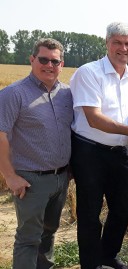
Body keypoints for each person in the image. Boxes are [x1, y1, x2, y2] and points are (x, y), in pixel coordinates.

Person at [69, 22, 128, 269]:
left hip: (119, 153)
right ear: (106, 43)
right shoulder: (89, 73)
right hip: (89, 151)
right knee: (89, 213)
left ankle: (107, 257)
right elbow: (93, 118)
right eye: (117, 42)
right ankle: (90, 264)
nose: (123, 48)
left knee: (123, 207)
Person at [0, 38, 73, 269]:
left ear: (62, 64)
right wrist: (10, 177)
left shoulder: (68, 94)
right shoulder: (14, 94)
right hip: (31, 180)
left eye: (55, 61)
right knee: (29, 238)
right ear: (32, 60)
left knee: (49, 232)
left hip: (61, 178)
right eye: (43, 60)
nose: (49, 65)